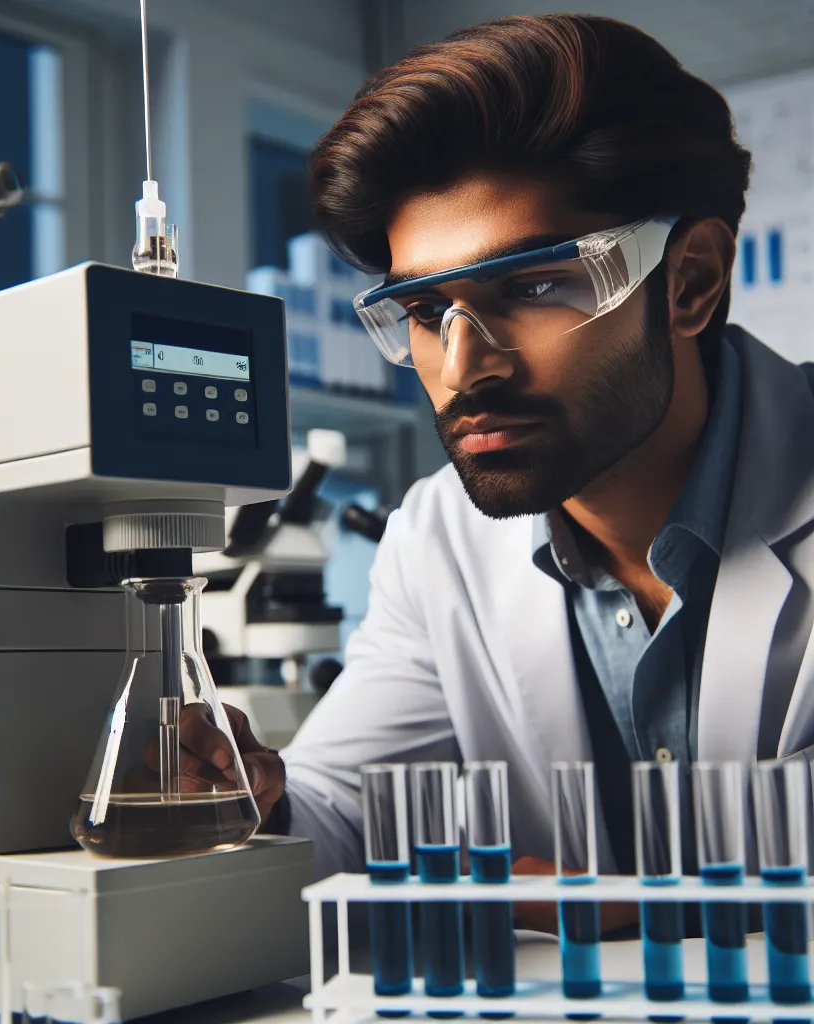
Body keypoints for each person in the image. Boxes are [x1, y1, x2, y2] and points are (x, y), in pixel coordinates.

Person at [195, 13, 814, 920]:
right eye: (421, 309)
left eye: (531, 288)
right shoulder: (434, 538)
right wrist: (252, 789)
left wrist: (610, 901)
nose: (463, 365)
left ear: (690, 282)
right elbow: (342, 813)